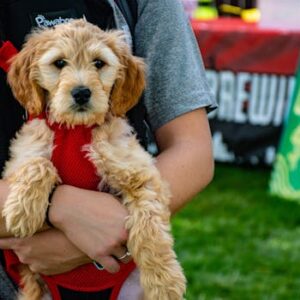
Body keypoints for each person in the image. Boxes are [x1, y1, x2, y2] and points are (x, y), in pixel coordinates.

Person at [0, 0, 217, 299]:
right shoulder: (38, 138)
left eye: (99, 64)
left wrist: (109, 235)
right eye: (59, 64)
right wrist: (56, 206)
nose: (80, 84)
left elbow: (193, 151)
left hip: (124, 276)